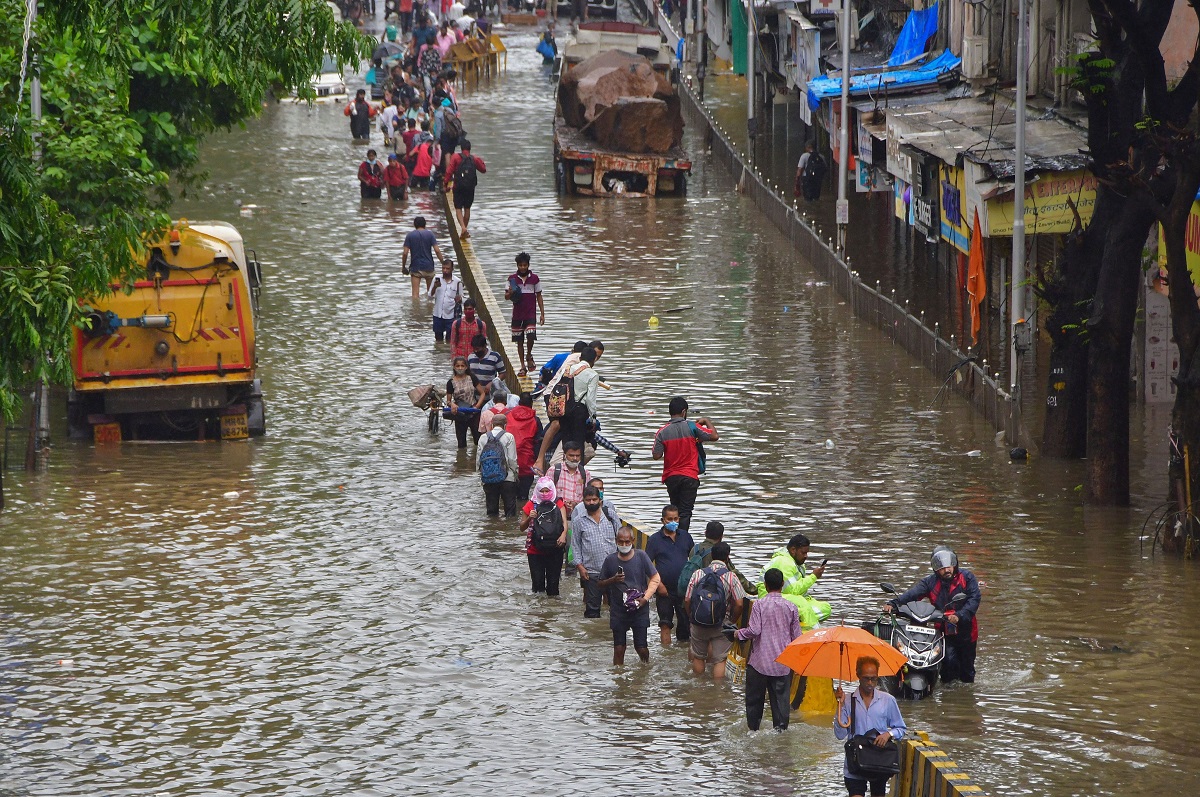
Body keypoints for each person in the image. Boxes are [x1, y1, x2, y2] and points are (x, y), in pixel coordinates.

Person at [884, 546, 981, 684]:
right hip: (943, 630)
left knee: (967, 670)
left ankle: (964, 698)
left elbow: (974, 599)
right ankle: (947, 692)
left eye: (949, 566)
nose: (946, 570)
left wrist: (959, 615)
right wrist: (894, 603)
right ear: (935, 569)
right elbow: (913, 594)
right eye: (941, 567)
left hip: (966, 631)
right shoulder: (930, 582)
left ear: (955, 564)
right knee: (947, 665)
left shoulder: (967, 578)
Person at [735, 567, 802, 731]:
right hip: (782, 664)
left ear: (765, 585)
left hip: (759, 664)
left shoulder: (759, 605)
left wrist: (738, 633)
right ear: (782, 585)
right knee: (780, 705)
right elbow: (797, 638)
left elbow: (754, 630)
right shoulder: (791, 607)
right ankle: (780, 733)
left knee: (754, 703)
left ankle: (753, 731)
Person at [834, 657, 907, 797]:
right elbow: (840, 734)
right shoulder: (848, 701)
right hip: (855, 762)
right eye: (866, 678)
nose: (870, 683)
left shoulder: (888, 700)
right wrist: (840, 705)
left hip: (879, 761)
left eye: (873, 679)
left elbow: (901, 728)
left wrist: (888, 735)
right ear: (858, 676)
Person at [651, 396, 718, 534]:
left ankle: (672, 536)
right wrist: (706, 421)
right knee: (685, 512)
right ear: (684, 412)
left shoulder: (662, 432)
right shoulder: (692, 427)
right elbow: (714, 436)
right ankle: (682, 539)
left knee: (674, 509)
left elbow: (656, 455)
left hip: (671, 478)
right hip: (690, 476)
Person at [598, 527, 662, 665]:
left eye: (627, 542)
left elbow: (655, 577)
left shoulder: (641, 556)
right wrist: (613, 580)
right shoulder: (610, 560)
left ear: (633, 541)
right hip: (618, 610)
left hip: (640, 608)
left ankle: (645, 668)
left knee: (641, 648)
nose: (624, 545)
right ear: (616, 541)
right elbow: (600, 583)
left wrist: (645, 598)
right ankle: (619, 679)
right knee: (619, 649)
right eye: (621, 542)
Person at [683, 541, 746, 680]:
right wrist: (730, 621)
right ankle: (717, 693)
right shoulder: (731, 576)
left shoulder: (698, 574)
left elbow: (687, 600)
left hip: (698, 622)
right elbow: (740, 604)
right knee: (720, 660)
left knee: (698, 657)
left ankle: (699, 689)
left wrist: (692, 617)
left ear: (711, 555)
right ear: (728, 557)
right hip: (721, 624)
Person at [757, 533, 831, 631]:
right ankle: (809, 634)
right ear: (793, 550)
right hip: (770, 596)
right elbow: (792, 590)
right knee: (803, 605)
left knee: (825, 608)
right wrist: (813, 577)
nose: (806, 556)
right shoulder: (784, 562)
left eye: (807, 553)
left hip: (787, 595)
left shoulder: (796, 563)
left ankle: (797, 624)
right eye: (803, 553)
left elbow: (796, 590)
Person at [645, 504, 695, 647]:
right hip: (664, 590)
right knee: (665, 624)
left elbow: (694, 560)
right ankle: (666, 652)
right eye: (669, 519)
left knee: (685, 624)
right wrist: (658, 585)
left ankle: (682, 652)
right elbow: (647, 565)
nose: (673, 522)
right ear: (663, 520)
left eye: (675, 519)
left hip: (683, 589)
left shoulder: (685, 537)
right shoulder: (654, 540)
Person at [568, 485, 619, 618]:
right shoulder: (579, 521)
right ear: (583, 501)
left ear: (600, 500)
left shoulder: (610, 515)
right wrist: (580, 567)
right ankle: (592, 636)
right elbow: (575, 545)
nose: (591, 502)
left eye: (594, 499)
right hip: (591, 572)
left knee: (616, 607)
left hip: (613, 571)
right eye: (588, 500)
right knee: (592, 610)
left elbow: (621, 538)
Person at [519, 477, 569, 596]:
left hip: (555, 548)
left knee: (553, 587)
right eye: (542, 491)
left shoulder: (558, 503)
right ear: (537, 490)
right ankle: (538, 611)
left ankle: (552, 610)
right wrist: (530, 518)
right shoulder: (530, 504)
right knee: (537, 588)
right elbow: (521, 527)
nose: (545, 494)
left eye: (547, 491)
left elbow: (564, 522)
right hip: (535, 550)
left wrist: (563, 535)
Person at [503, 252, 544, 376]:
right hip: (517, 314)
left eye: (524, 265)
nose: (522, 267)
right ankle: (522, 366)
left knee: (531, 336)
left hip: (530, 313)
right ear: (517, 265)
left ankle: (529, 354)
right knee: (519, 341)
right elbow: (506, 297)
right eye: (520, 265)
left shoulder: (534, 279)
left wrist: (542, 313)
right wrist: (510, 293)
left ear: (528, 265)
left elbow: (539, 296)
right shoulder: (512, 279)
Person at [690, 521, 755, 594]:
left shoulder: (694, 549)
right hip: (710, 596)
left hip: (692, 592)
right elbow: (736, 575)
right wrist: (754, 590)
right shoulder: (719, 552)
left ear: (705, 533)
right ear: (721, 536)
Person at [478, 412, 518, 517]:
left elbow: (479, 460)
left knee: (491, 511)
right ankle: (508, 530)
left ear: (492, 424)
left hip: (489, 477)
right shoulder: (509, 437)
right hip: (507, 478)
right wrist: (515, 474)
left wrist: (482, 474)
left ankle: (492, 530)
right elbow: (512, 459)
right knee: (510, 511)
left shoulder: (483, 437)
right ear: (505, 425)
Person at [506, 392, 543, 500]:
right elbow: (538, 443)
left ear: (519, 403)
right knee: (523, 497)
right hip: (527, 463)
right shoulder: (535, 420)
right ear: (531, 404)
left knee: (509, 498)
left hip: (509, 462)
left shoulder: (507, 416)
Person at [446, 140, 486, 238]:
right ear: (470, 148)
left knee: (458, 208)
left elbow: (449, 171)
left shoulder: (455, 157)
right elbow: (483, 170)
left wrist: (445, 184)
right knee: (467, 208)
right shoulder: (474, 158)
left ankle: (463, 228)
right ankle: (464, 230)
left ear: (461, 148)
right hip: (470, 187)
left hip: (458, 186)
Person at [402, 215, 445, 300]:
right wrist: (443, 263)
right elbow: (437, 251)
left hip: (416, 267)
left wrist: (403, 267)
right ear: (425, 224)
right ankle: (430, 311)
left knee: (415, 295)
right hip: (429, 266)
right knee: (431, 293)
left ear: (415, 225)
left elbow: (405, 253)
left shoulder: (410, 236)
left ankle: (416, 312)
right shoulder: (430, 234)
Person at [446, 355, 482, 448]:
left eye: (462, 366)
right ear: (454, 367)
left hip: (474, 412)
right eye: (458, 366)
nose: (460, 368)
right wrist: (452, 404)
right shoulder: (451, 382)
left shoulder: (472, 378)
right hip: (460, 413)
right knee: (461, 443)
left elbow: (482, 393)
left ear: (466, 367)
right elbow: (448, 401)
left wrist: (477, 406)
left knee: (478, 441)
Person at [428, 258, 462, 343]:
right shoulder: (436, 278)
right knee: (438, 339)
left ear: (452, 269)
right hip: (438, 314)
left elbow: (462, 299)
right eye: (443, 268)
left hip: (451, 316)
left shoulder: (457, 282)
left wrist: (459, 299)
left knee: (450, 340)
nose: (445, 270)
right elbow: (429, 296)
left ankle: (447, 354)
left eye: (447, 268)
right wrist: (435, 287)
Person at [549, 440, 587, 516]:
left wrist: (575, 504)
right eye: (571, 455)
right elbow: (546, 493)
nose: (575, 458)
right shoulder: (554, 470)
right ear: (564, 455)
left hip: (577, 516)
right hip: (557, 515)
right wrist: (561, 504)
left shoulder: (585, 473)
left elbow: (588, 495)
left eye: (578, 456)